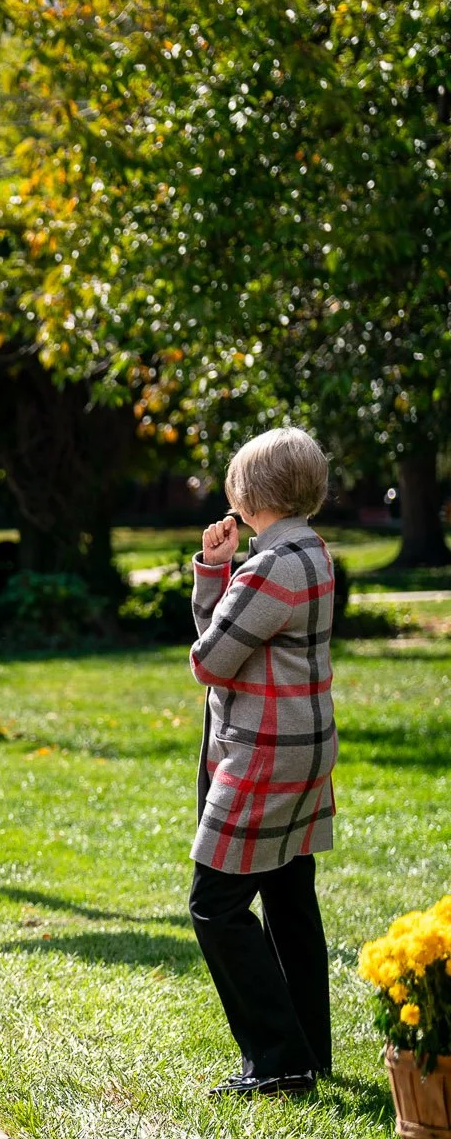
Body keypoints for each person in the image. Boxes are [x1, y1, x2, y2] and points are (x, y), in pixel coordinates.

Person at [188, 426, 337, 1099]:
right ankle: (308, 1048)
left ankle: (277, 1058)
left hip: (264, 750)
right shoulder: (313, 551)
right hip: (306, 749)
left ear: (248, 492)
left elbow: (210, 658)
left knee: (214, 901)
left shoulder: (269, 566)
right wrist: (217, 570)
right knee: (288, 895)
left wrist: (217, 577)